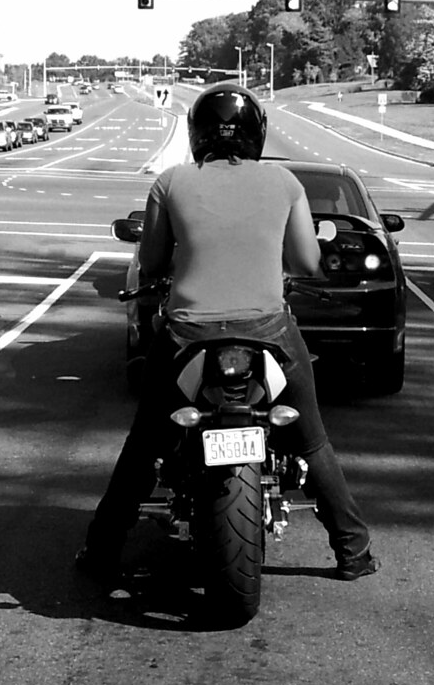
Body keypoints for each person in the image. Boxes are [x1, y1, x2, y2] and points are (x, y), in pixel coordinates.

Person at [78, 82, 379, 587]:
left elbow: (150, 262)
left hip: (185, 333)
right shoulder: (284, 183)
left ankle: (103, 548)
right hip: (268, 329)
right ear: (257, 135)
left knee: (146, 439)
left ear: (196, 134)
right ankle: (352, 551)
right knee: (311, 439)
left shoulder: (171, 183)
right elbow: (307, 262)